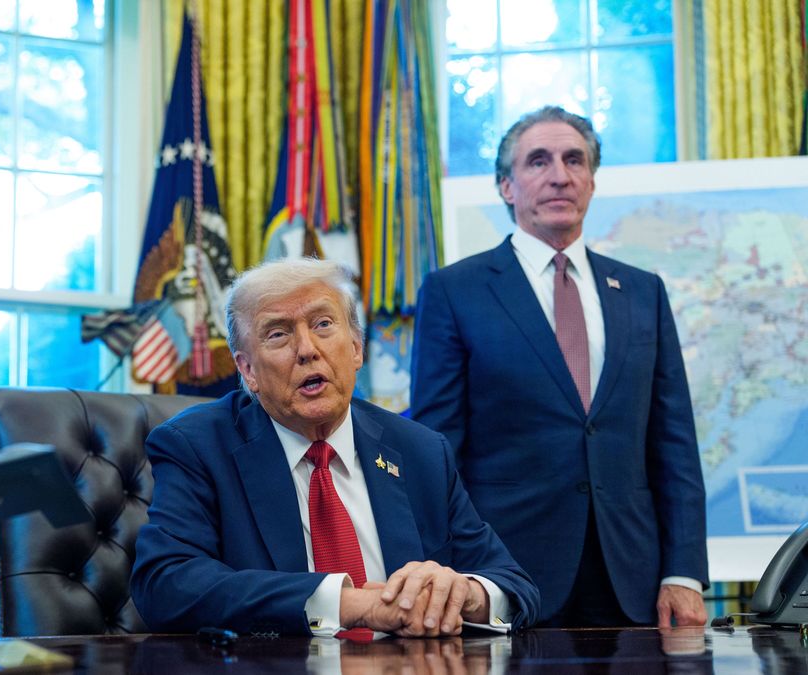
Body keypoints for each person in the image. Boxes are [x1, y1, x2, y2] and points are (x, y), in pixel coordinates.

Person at [411, 106, 709, 628]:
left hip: (634, 581)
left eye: (575, 160)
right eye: (538, 161)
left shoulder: (643, 292)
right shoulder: (454, 291)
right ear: (506, 186)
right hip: (505, 577)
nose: (559, 175)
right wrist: (443, 566)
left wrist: (683, 572)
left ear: (591, 181)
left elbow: (674, 441)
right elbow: (437, 446)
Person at [131, 257, 539, 638]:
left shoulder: (419, 451)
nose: (308, 349)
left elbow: (515, 585)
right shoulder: (197, 446)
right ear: (248, 370)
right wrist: (348, 604)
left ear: (357, 348)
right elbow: (165, 583)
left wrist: (466, 593)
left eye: (323, 324)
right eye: (278, 334)